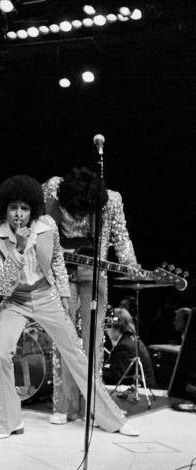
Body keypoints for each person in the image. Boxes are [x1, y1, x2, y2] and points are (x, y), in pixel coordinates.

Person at [0, 175, 137, 438]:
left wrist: (64, 294)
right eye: (13, 208)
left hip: (46, 296)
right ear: (5, 209)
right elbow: (1, 284)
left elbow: (56, 261)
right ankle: (11, 421)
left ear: (33, 208)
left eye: (24, 208)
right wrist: (18, 249)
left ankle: (112, 418)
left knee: (76, 354)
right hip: (16, 300)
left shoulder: (46, 225)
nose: (19, 214)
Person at [42, 167, 139, 425]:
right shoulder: (53, 188)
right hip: (61, 271)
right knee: (63, 340)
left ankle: (93, 408)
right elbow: (38, 226)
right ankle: (64, 407)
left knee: (93, 342)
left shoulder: (110, 200)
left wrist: (129, 262)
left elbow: (121, 236)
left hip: (94, 273)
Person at [103, 307, 156, 389]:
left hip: (141, 395)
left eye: (108, 326)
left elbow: (116, 378)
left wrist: (96, 371)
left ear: (117, 326)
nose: (106, 330)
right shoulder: (131, 339)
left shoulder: (124, 346)